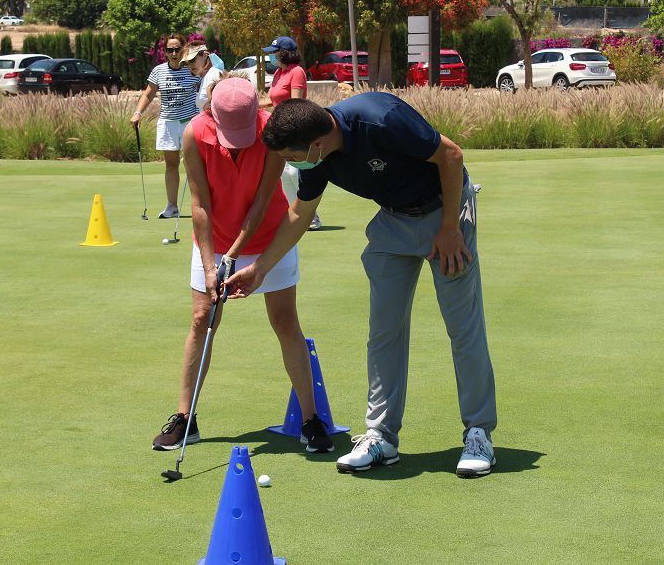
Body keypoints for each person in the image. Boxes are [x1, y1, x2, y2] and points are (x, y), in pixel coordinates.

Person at [227, 91, 498, 478]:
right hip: (393, 221)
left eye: (291, 157)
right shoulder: (316, 159)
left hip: (445, 210)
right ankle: (381, 436)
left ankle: (478, 433)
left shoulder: (380, 118)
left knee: (462, 327)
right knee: (383, 331)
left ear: (317, 144)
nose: (289, 165)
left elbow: (451, 155)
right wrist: (260, 270)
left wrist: (451, 227)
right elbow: (301, 214)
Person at [151, 77, 334, 455]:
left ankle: (311, 420)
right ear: (212, 115)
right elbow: (199, 204)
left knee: (285, 321)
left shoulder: (271, 132)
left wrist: (234, 254)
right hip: (212, 242)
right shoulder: (194, 134)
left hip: (268, 238)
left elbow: (263, 201)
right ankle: (186, 418)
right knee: (202, 318)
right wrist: (209, 265)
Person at [131, 33, 200, 220]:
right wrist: (138, 113)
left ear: (183, 49)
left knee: (193, 165)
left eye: (178, 49)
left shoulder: (192, 69)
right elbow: (148, 94)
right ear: (165, 52)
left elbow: (207, 89)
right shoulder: (159, 71)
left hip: (190, 122)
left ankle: (199, 204)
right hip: (168, 122)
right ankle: (172, 206)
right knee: (171, 164)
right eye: (170, 50)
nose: (174, 53)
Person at [262, 35, 323, 232]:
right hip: (279, 128)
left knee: (295, 173)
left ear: (283, 53)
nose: (270, 57)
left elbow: (295, 104)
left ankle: (310, 216)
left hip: (293, 129)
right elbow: (274, 101)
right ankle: (295, 214)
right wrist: (253, 105)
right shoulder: (279, 73)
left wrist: (286, 126)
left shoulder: (296, 72)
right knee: (284, 174)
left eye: (273, 53)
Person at [182, 42, 223, 111]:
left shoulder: (213, 74)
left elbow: (218, 108)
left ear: (204, 55)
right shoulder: (207, 76)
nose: (190, 65)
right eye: (186, 63)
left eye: (192, 60)